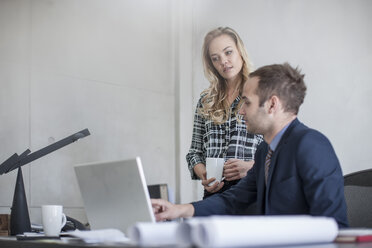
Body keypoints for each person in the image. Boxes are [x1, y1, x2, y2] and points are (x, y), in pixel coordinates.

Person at [152, 63, 349, 227]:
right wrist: (178, 209)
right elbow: (233, 199)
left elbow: (334, 225)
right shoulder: (264, 150)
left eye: (247, 103)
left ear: (272, 104)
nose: (241, 112)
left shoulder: (311, 145)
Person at [186, 27, 262, 199]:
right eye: (216, 58)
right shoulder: (206, 101)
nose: (224, 62)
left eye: (228, 52)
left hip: (252, 190)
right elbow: (194, 154)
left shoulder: (260, 92)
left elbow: (279, 152)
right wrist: (205, 176)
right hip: (214, 195)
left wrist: (251, 167)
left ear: (240, 51)